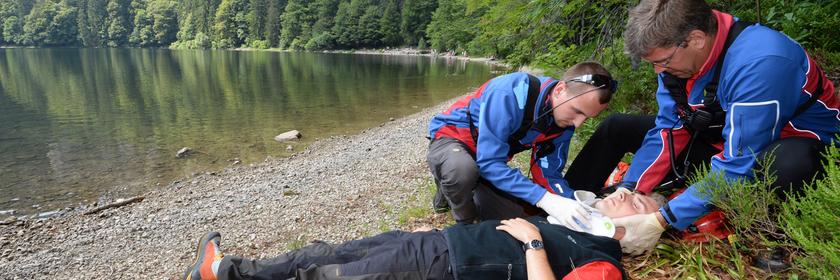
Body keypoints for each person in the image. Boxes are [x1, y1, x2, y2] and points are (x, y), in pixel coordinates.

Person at [563, 0, 839, 255]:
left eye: (662, 61)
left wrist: (662, 219)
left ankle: (779, 239)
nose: (658, 71)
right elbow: (670, 129)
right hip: (726, 142)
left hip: (801, 152)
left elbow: (739, 162)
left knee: (789, 162)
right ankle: (566, 208)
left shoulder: (762, 62)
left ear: (696, 39)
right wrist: (631, 187)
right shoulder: (678, 62)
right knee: (619, 126)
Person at [182, 190, 663, 280]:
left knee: (330, 276)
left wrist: (533, 244)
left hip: (444, 268)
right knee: (328, 252)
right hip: (437, 246)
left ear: (638, 228)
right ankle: (222, 269)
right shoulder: (571, 219)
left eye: (637, 201)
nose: (624, 193)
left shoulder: (603, 262)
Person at [426, 62, 618, 230]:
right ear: (560, 89)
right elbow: (490, 163)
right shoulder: (509, 93)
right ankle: (466, 223)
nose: (578, 124)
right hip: (452, 138)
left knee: (518, 216)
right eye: (577, 111)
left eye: (587, 118)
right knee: (461, 170)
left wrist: (574, 203)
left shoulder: (563, 123)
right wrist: (544, 199)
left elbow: (548, 173)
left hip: (487, 157)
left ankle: (460, 186)